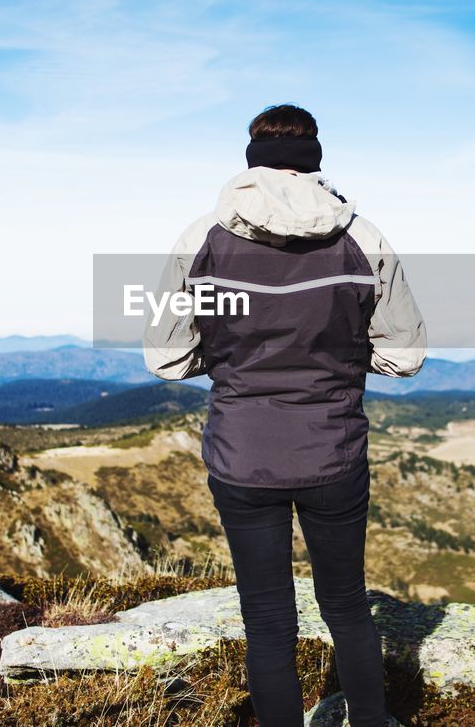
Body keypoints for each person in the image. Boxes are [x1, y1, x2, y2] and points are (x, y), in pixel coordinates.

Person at [143, 103, 426, 726]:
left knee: (267, 617)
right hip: (334, 451)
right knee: (348, 604)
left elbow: (165, 358)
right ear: (315, 156)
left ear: (251, 157)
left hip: (242, 456)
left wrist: (230, 366)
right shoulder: (364, 238)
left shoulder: (201, 239)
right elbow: (405, 357)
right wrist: (342, 364)